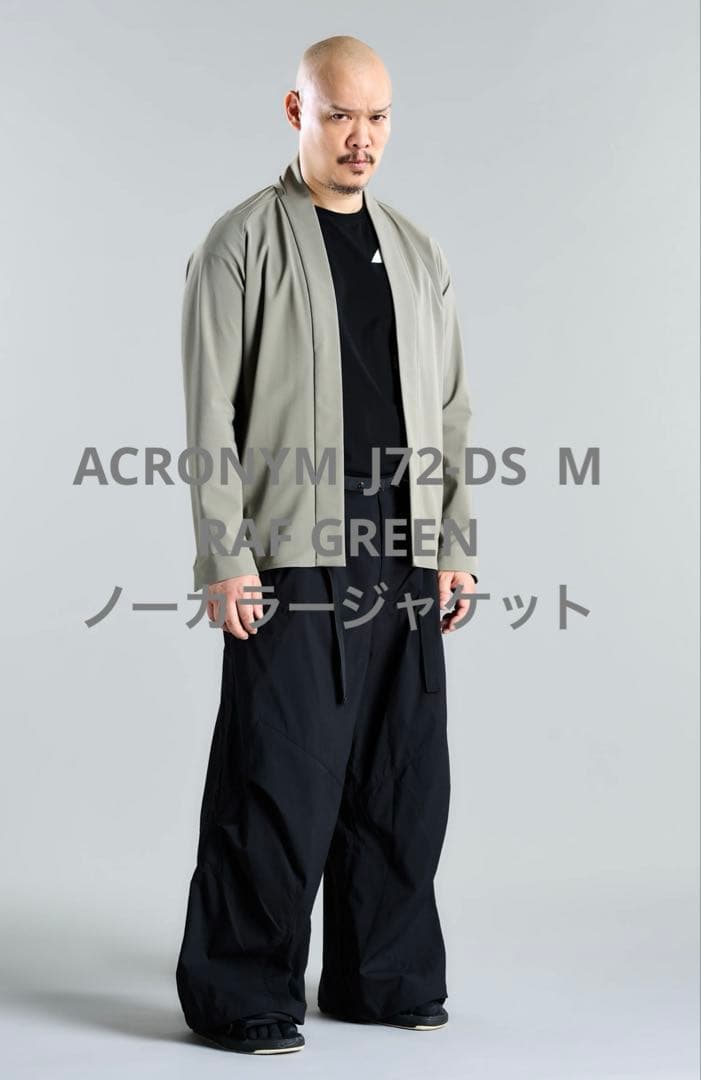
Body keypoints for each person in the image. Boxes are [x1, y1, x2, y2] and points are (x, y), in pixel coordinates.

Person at [175, 34, 479, 1055]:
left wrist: (452, 542)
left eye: (378, 116)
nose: (362, 137)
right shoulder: (241, 242)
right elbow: (209, 414)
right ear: (296, 112)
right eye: (341, 113)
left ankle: (380, 976)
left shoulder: (418, 253)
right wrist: (224, 556)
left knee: (402, 774)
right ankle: (241, 989)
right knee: (278, 772)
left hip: (403, 544)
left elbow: (451, 409)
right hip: (292, 549)